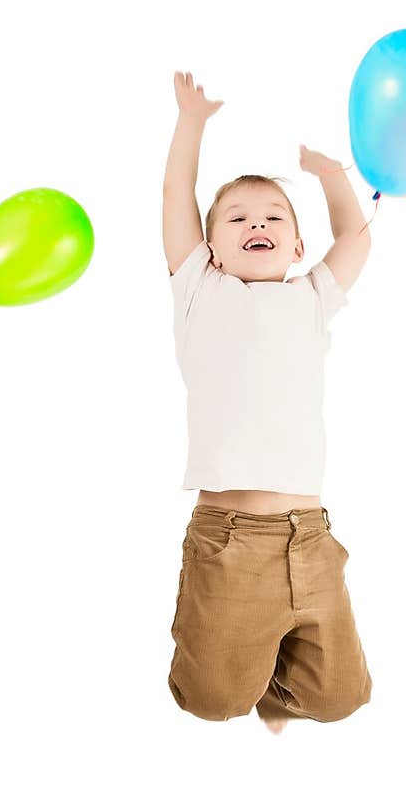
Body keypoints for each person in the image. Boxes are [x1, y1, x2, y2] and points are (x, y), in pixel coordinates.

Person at [163, 71, 372, 732]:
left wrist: (329, 173)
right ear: (212, 248)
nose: (258, 222)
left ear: (298, 246)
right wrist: (191, 121)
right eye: (238, 218)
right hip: (229, 538)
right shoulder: (201, 290)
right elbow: (176, 196)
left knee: (341, 699)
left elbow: (358, 239)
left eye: (274, 217)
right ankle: (241, 670)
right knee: (212, 702)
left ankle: (274, 682)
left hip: (308, 535)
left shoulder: (312, 297)